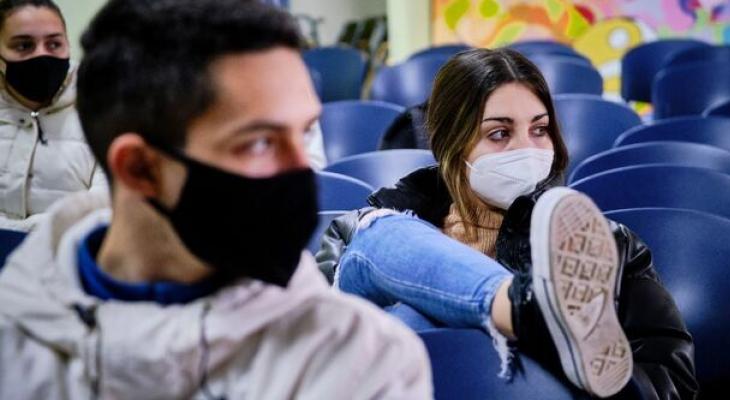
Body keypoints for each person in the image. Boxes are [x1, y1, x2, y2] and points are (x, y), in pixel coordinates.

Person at [0, 1, 431, 398]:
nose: (303, 171)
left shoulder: (360, 359)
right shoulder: (15, 349)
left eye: (303, 133)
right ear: (140, 168)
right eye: (260, 143)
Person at [318, 48, 697, 399]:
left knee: (408, 309)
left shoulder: (597, 246)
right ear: (451, 141)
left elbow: (670, 380)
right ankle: (529, 310)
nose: (526, 150)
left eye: (540, 129)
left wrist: (545, 365)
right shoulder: (369, 224)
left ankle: (531, 321)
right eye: (499, 134)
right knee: (384, 243)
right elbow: (310, 340)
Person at [0, 0, 105, 232]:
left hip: (67, 259)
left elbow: (102, 207)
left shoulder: (102, 106)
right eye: (24, 45)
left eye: (54, 44)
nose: (42, 55)